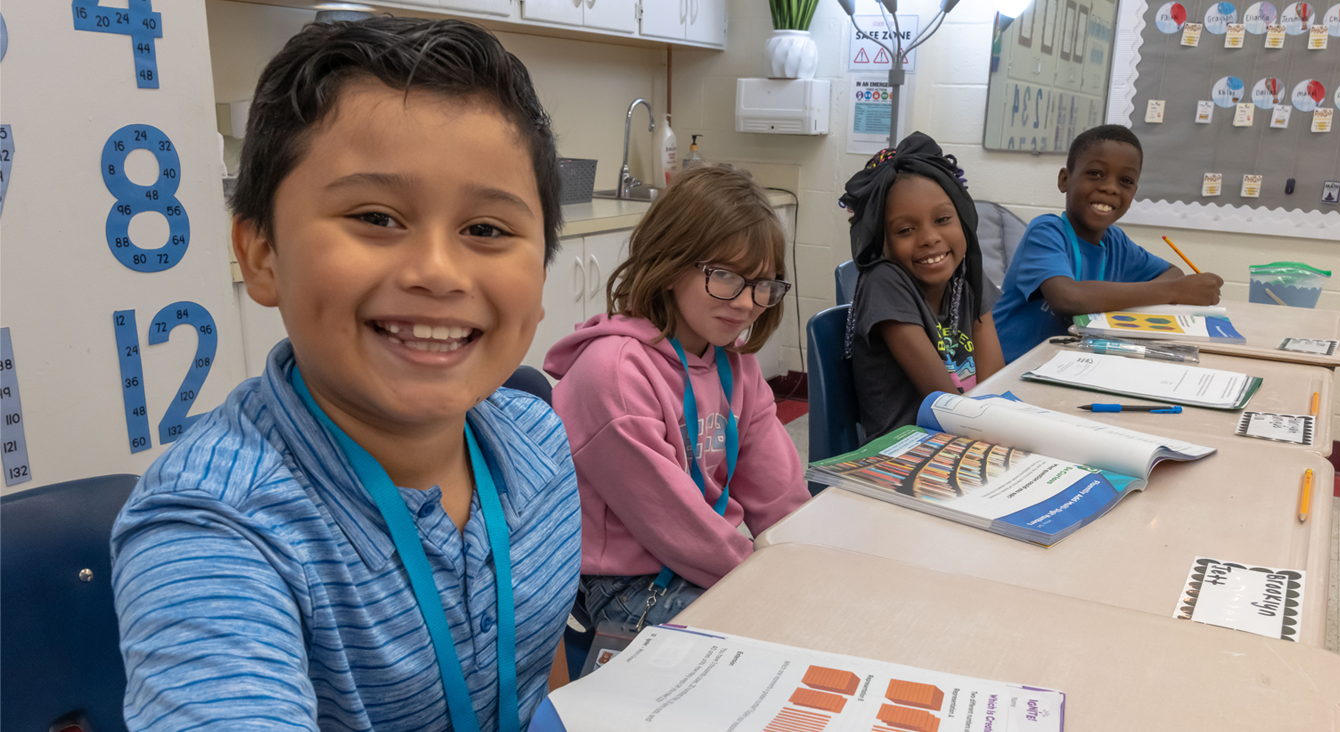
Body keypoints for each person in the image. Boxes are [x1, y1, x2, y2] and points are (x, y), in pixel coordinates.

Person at [110, 18, 578, 731]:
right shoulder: (217, 527)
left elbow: (537, 684)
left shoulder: (538, 443)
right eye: (375, 216)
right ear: (261, 252)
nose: (438, 273)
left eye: (486, 229)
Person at [544, 165, 810, 629]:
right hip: (625, 587)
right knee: (776, 638)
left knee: (819, 615)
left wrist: (809, 562)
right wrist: (763, 586)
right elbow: (675, 525)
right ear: (669, 264)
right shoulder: (614, 373)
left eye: (761, 284)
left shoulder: (736, 365)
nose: (747, 303)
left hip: (704, 563)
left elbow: (782, 499)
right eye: (725, 276)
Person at [993, 124, 1224, 362]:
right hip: (1008, 368)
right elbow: (1066, 298)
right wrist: (1175, 292)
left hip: (1067, 365)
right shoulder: (1046, 232)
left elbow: (1173, 273)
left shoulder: (1117, 242)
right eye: (1095, 173)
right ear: (1064, 180)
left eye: (1125, 180)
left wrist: (1174, 288)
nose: (1110, 188)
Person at [840, 131, 1005, 440]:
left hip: (965, 435)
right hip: (907, 451)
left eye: (943, 220)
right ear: (882, 242)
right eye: (905, 230)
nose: (929, 238)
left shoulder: (967, 273)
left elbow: (993, 387)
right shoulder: (883, 284)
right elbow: (946, 405)